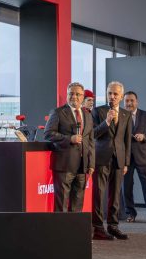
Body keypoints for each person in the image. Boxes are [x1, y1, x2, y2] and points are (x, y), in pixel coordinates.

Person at [44, 82, 95, 212]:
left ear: (83, 97)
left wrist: (91, 164)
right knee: (61, 205)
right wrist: (69, 139)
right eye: (71, 93)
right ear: (67, 95)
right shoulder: (58, 112)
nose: (74, 97)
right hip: (64, 166)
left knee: (77, 204)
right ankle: (60, 227)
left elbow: (90, 141)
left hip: (82, 167)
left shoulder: (88, 115)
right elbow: (48, 134)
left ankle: (75, 226)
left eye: (78, 94)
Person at [92, 81, 132, 240]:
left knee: (115, 195)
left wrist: (126, 162)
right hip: (101, 157)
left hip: (119, 159)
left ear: (121, 96)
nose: (112, 96)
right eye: (110, 93)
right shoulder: (98, 111)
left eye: (115, 94)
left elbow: (127, 140)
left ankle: (113, 226)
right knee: (99, 194)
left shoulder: (126, 114)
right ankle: (98, 228)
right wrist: (107, 122)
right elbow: (93, 134)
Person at [122, 91, 146, 224]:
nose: (129, 103)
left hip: (143, 156)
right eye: (127, 101)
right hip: (125, 158)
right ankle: (130, 213)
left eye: (132, 100)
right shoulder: (120, 116)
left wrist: (144, 137)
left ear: (137, 102)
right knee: (126, 187)